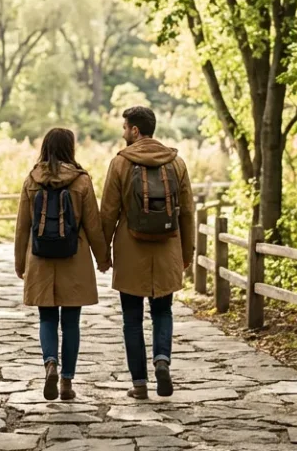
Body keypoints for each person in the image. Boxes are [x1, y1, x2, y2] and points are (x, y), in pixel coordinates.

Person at [100, 106, 195, 399]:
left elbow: (108, 213)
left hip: (131, 249)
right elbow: (188, 213)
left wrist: (103, 254)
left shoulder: (120, 163)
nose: (123, 132)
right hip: (167, 247)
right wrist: (186, 252)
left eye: (125, 127)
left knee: (132, 318)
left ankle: (139, 384)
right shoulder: (176, 162)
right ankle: (162, 360)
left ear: (135, 131)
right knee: (162, 311)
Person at [14, 128, 109, 401]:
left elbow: (22, 226)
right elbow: (93, 225)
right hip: (74, 258)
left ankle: (50, 363)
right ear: (70, 148)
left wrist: (20, 262)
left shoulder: (32, 179)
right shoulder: (81, 181)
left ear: (45, 147)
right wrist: (103, 258)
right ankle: (66, 382)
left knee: (46, 317)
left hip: (40, 259)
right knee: (71, 322)